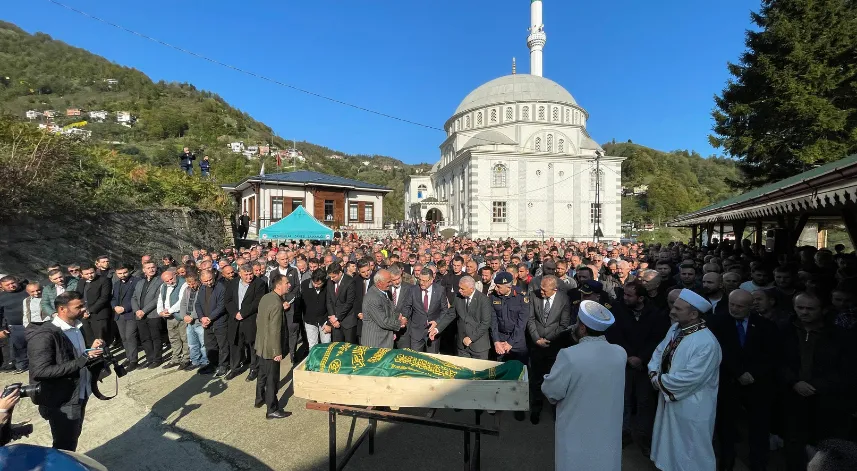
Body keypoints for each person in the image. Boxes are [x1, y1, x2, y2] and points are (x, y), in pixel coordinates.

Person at [542, 300, 626, 471]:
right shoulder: (620, 352)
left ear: (582, 328)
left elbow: (552, 392)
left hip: (576, 426)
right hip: (607, 427)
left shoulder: (569, 355)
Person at [648, 289, 721, 471]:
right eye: (673, 306)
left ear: (694, 314)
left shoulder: (706, 342)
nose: (672, 311)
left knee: (692, 448)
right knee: (669, 443)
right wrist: (653, 372)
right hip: (670, 399)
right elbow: (660, 351)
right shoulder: (675, 328)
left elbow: (692, 377)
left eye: (678, 309)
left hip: (692, 404)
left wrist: (660, 382)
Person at [709, 289, 778, 471]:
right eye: (732, 304)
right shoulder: (716, 323)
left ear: (750, 307)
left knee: (758, 429)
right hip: (728, 384)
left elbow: (771, 355)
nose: (735, 309)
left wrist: (753, 373)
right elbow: (717, 351)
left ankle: (758, 464)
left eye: (740, 306)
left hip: (757, 385)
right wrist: (738, 372)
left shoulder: (766, 326)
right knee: (726, 429)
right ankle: (726, 464)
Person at [26, 291, 105, 451]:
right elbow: (40, 371)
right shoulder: (44, 336)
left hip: (80, 393)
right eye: (79, 307)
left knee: (73, 437)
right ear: (62, 309)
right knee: (64, 444)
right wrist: (84, 359)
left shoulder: (77, 327)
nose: (84, 309)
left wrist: (91, 350)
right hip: (62, 401)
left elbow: (75, 355)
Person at [605, 280, 670, 455]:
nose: (624, 297)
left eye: (629, 295)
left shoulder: (655, 314)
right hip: (623, 364)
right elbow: (614, 335)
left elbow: (657, 339)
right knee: (623, 401)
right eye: (624, 294)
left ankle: (644, 437)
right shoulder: (617, 311)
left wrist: (641, 358)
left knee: (644, 402)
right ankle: (623, 433)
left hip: (645, 366)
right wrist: (628, 356)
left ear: (640, 298)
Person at [526, 275, 571, 424]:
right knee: (536, 378)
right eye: (541, 290)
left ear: (555, 289)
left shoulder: (563, 299)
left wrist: (548, 339)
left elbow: (563, 324)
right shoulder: (534, 296)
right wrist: (537, 339)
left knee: (554, 378)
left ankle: (555, 409)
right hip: (536, 344)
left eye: (545, 291)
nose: (542, 293)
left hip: (554, 346)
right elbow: (530, 319)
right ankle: (536, 406)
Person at [489, 271, 529, 421]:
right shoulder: (493, 296)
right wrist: (496, 341)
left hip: (517, 340)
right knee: (499, 372)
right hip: (500, 338)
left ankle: (518, 405)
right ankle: (499, 401)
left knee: (519, 373)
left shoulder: (521, 297)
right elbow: (492, 321)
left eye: (499, 287)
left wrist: (510, 343)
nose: (497, 289)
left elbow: (521, 323)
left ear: (508, 286)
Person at [430, 275, 491, 359]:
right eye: (459, 287)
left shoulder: (483, 300)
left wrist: (471, 338)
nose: (459, 290)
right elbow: (450, 314)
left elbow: (485, 323)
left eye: (462, 289)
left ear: (471, 289)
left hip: (478, 346)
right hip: (462, 346)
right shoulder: (458, 297)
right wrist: (437, 329)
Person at [255, 273, 290, 419]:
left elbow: (259, 320)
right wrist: (277, 351)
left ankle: (259, 399)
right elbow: (275, 330)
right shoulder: (276, 304)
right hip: (271, 348)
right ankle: (272, 409)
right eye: (286, 283)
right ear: (278, 286)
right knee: (272, 380)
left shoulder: (266, 297)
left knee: (262, 374)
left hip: (261, 345)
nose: (289, 285)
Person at [224, 264, 268, 381]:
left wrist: (243, 313)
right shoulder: (233, 283)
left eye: (250, 274)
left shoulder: (259, 284)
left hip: (251, 319)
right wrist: (235, 313)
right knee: (236, 344)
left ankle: (254, 369)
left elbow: (258, 301)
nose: (249, 277)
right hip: (235, 320)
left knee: (253, 345)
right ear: (240, 274)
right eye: (246, 275)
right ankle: (235, 368)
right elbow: (228, 300)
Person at [405, 268, 449, 353]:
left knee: (432, 359)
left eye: (424, 281)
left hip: (432, 332)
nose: (421, 283)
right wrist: (403, 318)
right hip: (416, 332)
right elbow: (407, 307)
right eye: (420, 279)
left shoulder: (440, 290)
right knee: (415, 359)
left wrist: (437, 322)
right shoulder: (413, 290)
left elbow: (444, 310)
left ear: (432, 280)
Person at [360, 270, 406, 349]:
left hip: (384, 340)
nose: (391, 283)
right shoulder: (373, 298)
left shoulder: (386, 292)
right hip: (375, 343)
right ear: (379, 283)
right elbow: (383, 321)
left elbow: (389, 311)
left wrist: (399, 316)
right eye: (388, 282)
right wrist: (400, 322)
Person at [131, 261, 165, 368]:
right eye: (148, 268)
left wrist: (144, 311)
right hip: (140, 315)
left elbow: (157, 299)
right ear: (144, 270)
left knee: (156, 338)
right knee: (145, 338)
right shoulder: (140, 282)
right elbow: (134, 297)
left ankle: (157, 359)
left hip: (153, 314)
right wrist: (137, 310)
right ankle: (149, 359)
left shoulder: (160, 281)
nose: (151, 269)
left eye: (153, 267)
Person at [196, 269, 229, 377]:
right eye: (206, 281)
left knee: (222, 345)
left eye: (210, 279)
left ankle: (224, 365)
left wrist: (209, 318)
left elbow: (221, 306)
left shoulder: (221, 288)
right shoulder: (202, 288)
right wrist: (201, 318)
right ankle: (212, 364)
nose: (209, 282)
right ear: (201, 281)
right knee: (210, 345)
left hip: (219, 322)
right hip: (207, 323)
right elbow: (198, 304)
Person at [75, 265, 113, 348]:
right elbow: (78, 296)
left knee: (101, 340)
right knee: (89, 340)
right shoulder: (81, 282)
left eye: (92, 272)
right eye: (86, 274)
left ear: (96, 271)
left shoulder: (104, 280)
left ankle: (105, 358)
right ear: (81, 274)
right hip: (84, 315)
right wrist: (82, 310)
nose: (90, 275)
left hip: (99, 314)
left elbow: (104, 298)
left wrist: (89, 311)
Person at [157, 270, 188, 369]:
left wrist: (169, 310)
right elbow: (160, 300)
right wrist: (160, 311)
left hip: (180, 315)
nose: (170, 282)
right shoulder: (163, 287)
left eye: (171, 279)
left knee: (185, 338)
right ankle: (176, 358)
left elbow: (182, 300)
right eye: (167, 281)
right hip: (169, 317)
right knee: (173, 338)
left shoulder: (183, 283)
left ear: (175, 275)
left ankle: (186, 358)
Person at [111, 265, 140, 371]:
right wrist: (115, 307)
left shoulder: (136, 281)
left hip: (131, 313)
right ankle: (129, 357)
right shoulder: (116, 284)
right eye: (120, 273)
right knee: (123, 337)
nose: (123, 275)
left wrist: (124, 307)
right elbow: (113, 298)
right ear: (116, 274)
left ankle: (134, 361)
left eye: (125, 272)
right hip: (119, 315)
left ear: (129, 271)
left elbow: (135, 297)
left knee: (130, 336)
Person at [0, 276, 30, 372]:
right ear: (1, 287)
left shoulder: (27, 291)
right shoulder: (1, 297)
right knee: (19, 348)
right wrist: (1, 329)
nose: (11, 286)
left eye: (12, 283)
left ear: (17, 281)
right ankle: (22, 366)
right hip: (15, 326)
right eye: (7, 285)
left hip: (33, 324)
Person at [179, 272, 207, 370]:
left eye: (193, 283)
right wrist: (184, 316)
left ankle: (205, 361)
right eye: (189, 284)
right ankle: (195, 361)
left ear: (197, 281)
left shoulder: (203, 289)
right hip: (189, 322)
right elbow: (182, 304)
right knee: (192, 343)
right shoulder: (187, 290)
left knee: (203, 343)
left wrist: (193, 316)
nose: (191, 286)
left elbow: (201, 306)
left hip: (198, 321)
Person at [326, 263, 357, 344]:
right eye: (330, 277)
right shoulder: (330, 282)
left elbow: (349, 303)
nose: (331, 279)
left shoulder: (350, 281)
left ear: (340, 273)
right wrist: (332, 317)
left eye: (334, 277)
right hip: (335, 322)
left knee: (349, 349)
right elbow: (329, 300)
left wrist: (337, 318)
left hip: (348, 322)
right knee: (337, 348)